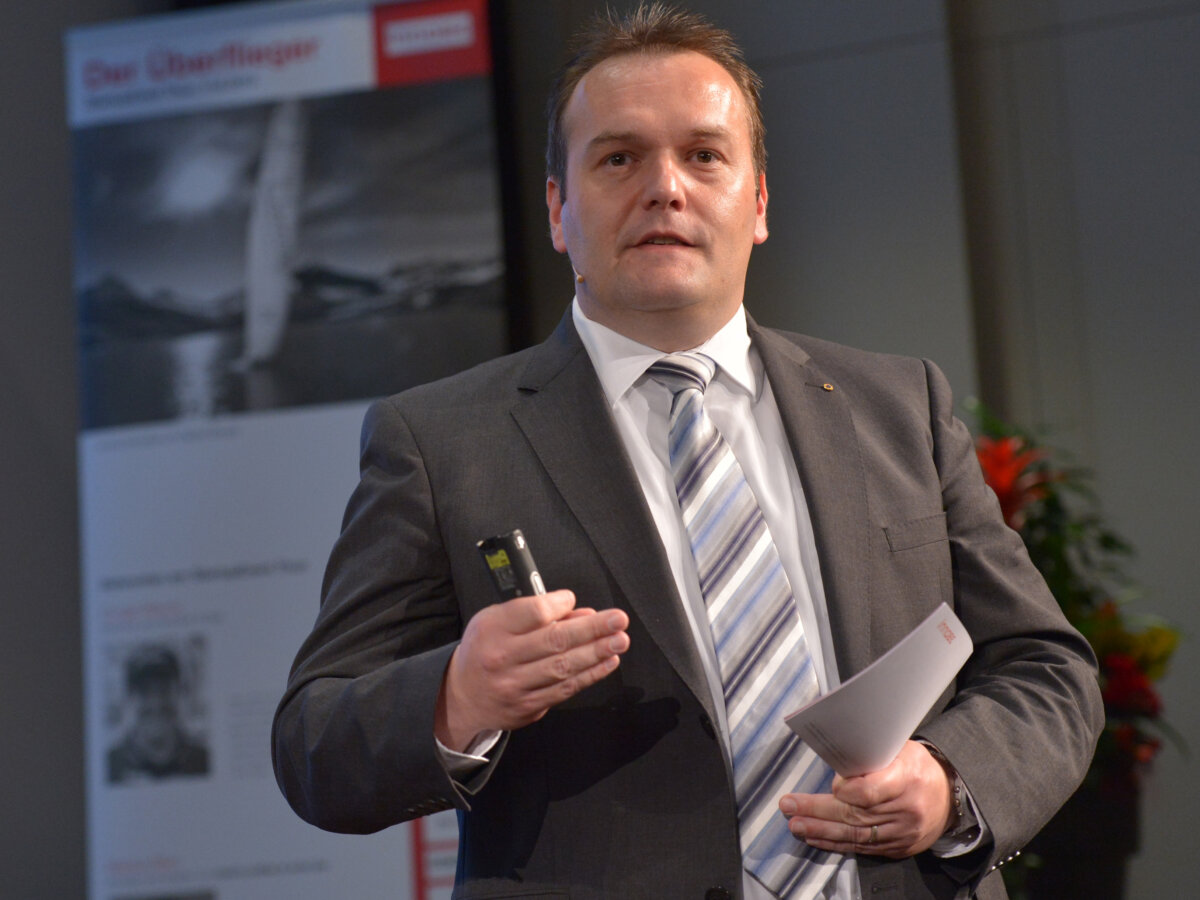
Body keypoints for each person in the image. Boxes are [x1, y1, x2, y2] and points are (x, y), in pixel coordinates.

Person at [272, 5, 1102, 898]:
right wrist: (456, 696)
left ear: (759, 203)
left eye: (705, 155)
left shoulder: (902, 408)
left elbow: (1047, 669)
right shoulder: (442, 442)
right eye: (618, 158)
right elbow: (315, 743)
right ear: (557, 211)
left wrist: (948, 782)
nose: (664, 188)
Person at [108, 643, 209, 784]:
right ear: (129, 698)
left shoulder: (203, 761)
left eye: (164, 690)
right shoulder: (112, 766)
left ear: (180, 692)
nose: (156, 703)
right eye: (145, 691)